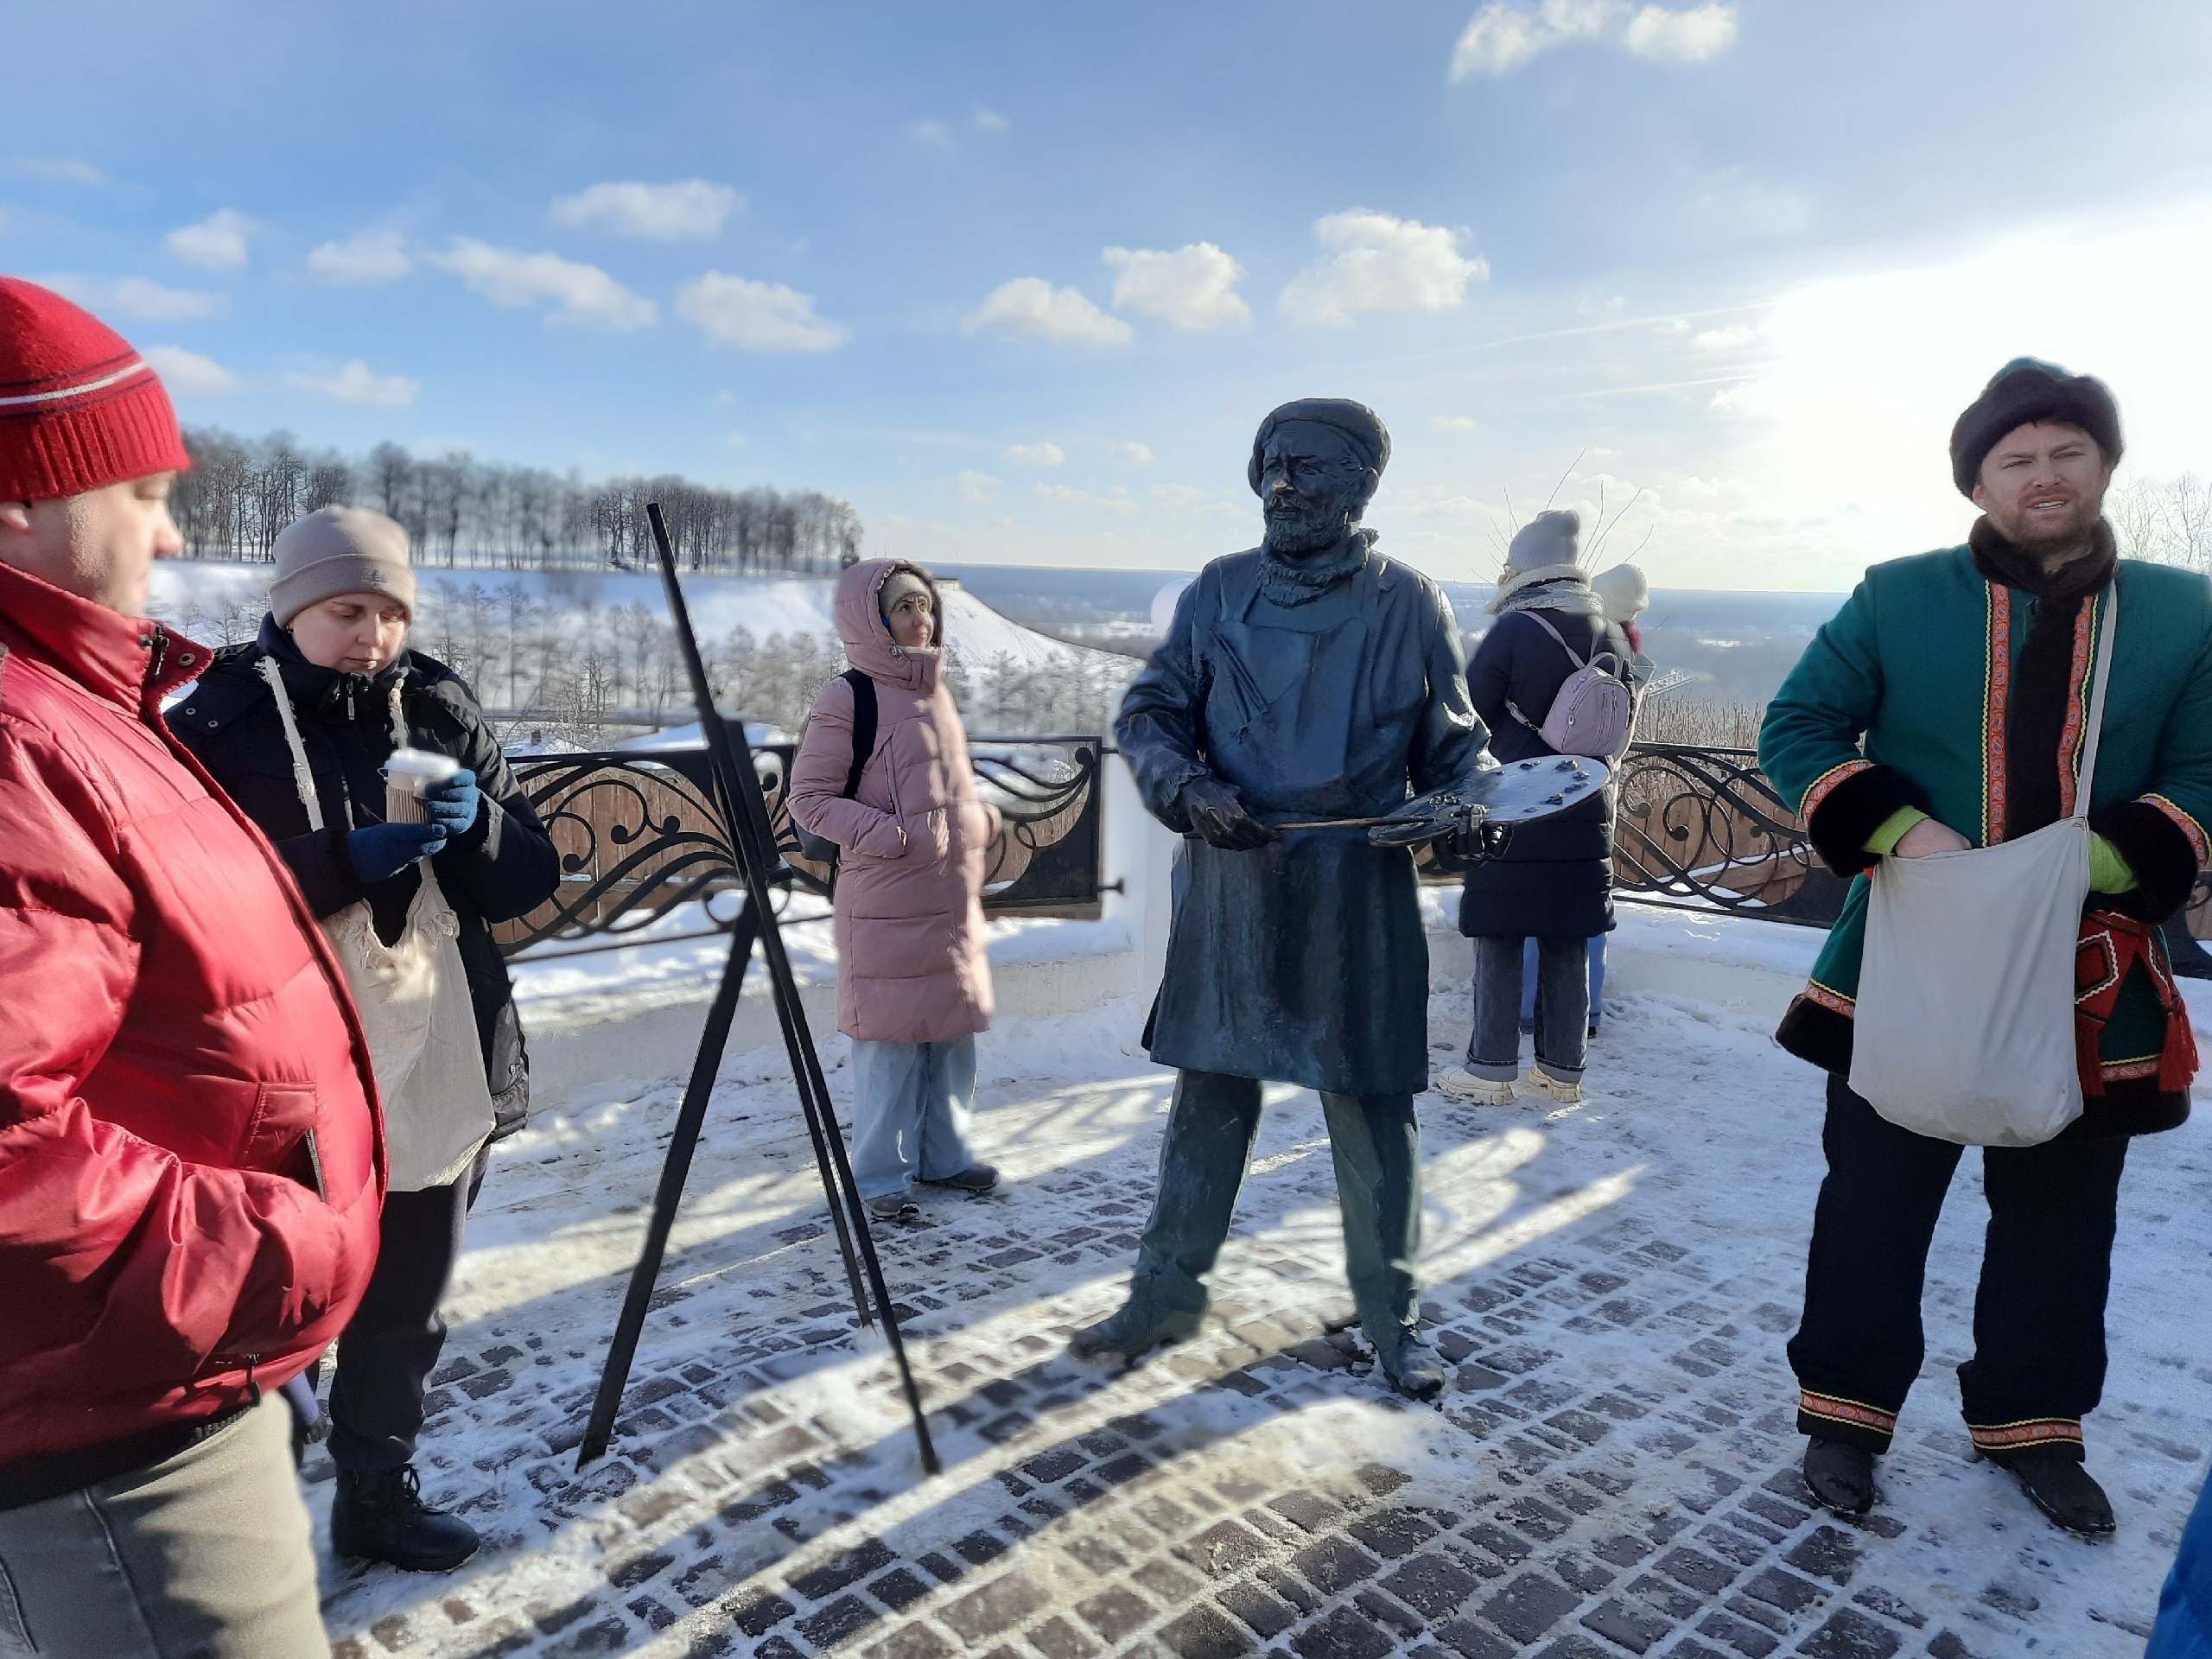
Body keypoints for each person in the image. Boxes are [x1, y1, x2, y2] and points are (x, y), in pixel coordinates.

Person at [1760, 359, 2212, 1535]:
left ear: (2104, 466)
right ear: (1978, 481)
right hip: (1906, 958)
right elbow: (1799, 725)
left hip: (2090, 969)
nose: (2043, 475)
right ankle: (1844, 1420)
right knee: (1872, 1205)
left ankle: (2034, 1425)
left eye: (2066, 451)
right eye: (2015, 459)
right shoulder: (1895, 595)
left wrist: (2101, 862)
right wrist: (1905, 832)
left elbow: (2211, 770)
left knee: (2063, 1218)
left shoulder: (2189, 611)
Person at [0, 278, 382, 1653]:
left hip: (147, 1377)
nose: (169, 530)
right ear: (19, 497)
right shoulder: (15, 733)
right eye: (143, 489)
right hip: (113, 1449)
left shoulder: (68, 699)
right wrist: (274, 1245)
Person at [1072, 397, 1498, 1400]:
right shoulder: (1219, 592)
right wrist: (1184, 787)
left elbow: (1461, 756)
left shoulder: (1408, 604)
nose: (1283, 484)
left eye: (1308, 467)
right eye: (1270, 465)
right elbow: (1151, 714)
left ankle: (1390, 1317)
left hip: (1354, 891)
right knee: (1208, 1101)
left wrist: (1455, 807)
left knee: (1370, 1108)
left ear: (1359, 486)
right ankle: (1165, 1294)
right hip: (1234, 883)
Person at [174, 505, 560, 1571]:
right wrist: (345, 859)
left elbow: (530, 877)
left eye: (390, 610)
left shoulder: (437, 705)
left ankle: (376, 1496)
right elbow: (186, 903)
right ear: (291, 607)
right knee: (269, 1297)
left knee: (404, 1295)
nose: (373, 634)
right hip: (286, 1057)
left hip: (433, 1046)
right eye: (348, 609)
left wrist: (477, 821)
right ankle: (238, 1512)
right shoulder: (218, 723)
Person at [787, 560, 1002, 1223]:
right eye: (905, 607)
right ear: (872, 619)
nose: (921, 619)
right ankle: (880, 1181)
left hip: (945, 900)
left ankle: (945, 1159)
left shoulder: (933, 692)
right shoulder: (847, 697)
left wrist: (980, 821)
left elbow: (949, 788)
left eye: (926, 606)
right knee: (890, 1045)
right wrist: (896, 836)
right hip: (885, 901)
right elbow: (809, 800)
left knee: (951, 1034)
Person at [1440, 512, 1635, 1107]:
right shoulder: (1614, 633)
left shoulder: (1514, 631)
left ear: (1523, 570)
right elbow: (1627, 713)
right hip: (1586, 801)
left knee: (1500, 935)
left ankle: (1491, 1069)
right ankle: (1562, 1072)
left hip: (1518, 801)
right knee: (1568, 938)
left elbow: (1465, 711)